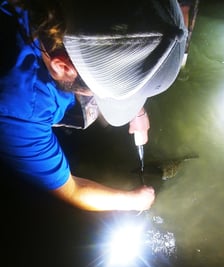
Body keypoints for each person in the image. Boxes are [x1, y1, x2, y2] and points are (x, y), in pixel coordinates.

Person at [0, 0, 188, 212]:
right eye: (102, 92)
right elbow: (71, 190)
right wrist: (134, 201)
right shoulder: (19, 109)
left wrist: (138, 111)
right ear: (62, 67)